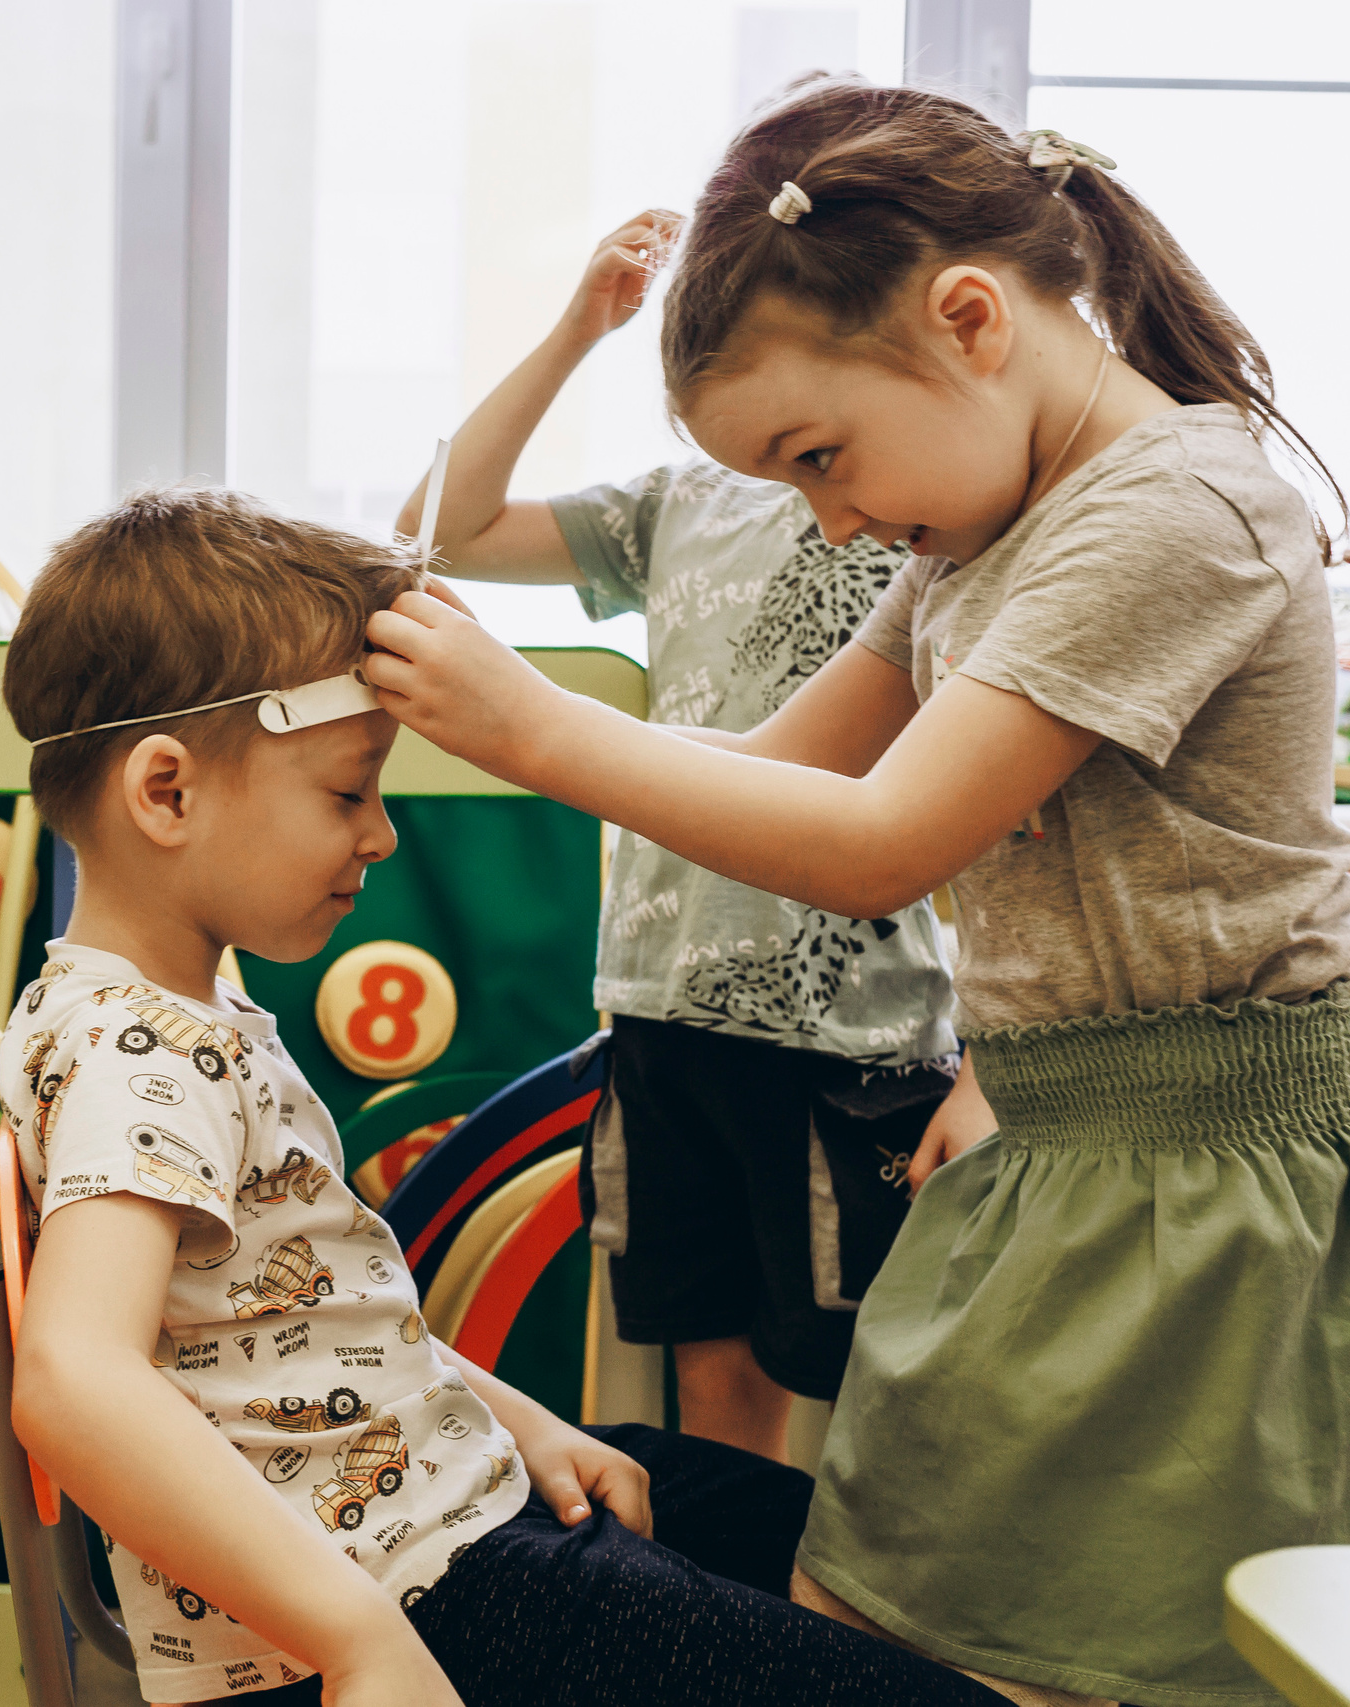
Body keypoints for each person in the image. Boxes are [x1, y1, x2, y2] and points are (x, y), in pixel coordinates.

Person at [363, 77, 1350, 1707]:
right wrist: (1016, 1058)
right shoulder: (971, 539)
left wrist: (537, 725)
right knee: (881, 1613)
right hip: (1061, 1148)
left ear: (972, 319)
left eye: (822, 454)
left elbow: (880, 841)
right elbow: (785, 770)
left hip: (1207, 1203)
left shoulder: (1176, 509)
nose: (835, 518)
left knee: (1119, 1656)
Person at [0, 485, 1004, 1706]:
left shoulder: (186, 1011)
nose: (379, 838)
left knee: (832, 1535)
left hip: (441, 1511)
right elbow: (70, 1378)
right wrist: (360, 1642)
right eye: (345, 793)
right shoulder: (129, 1050)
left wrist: (526, 1426)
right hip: (411, 1588)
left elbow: (310, 1325)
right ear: (165, 792)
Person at [394, 210, 968, 1460]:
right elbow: (437, 529)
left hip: (850, 1024)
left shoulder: (926, 512)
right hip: (662, 997)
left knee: (866, 1382)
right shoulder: (677, 503)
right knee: (710, 1376)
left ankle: (838, 1638)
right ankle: (731, 1625)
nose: (824, 498)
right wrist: (571, 335)